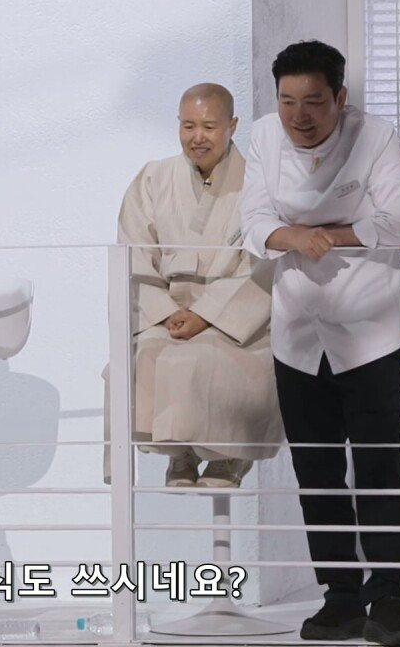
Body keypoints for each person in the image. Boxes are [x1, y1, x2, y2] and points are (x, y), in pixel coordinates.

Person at [240, 40, 400, 647]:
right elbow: (253, 225)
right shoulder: (264, 139)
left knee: (378, 469)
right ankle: (340, 599)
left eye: (314, 101)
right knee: (316, 473)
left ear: (340, 98)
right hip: (297, 335)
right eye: (288, 100)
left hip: (369, 333)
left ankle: (390, 600)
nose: (299, 116)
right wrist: (292, 235)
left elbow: (399, 222)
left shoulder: (375, 137)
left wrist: (325, 234)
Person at [108, 83, 280, 489]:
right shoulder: (154, 178)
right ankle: (179, 452)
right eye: (188, 126)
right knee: (142, 357)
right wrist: (167, 312)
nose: (197, 137)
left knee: (203, 358)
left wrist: (205, 314)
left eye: (209, 126)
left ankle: (228, 455)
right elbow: (133, 254)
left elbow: (265, 264)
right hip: (166, 315)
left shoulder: (260, 183)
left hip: (235, 320)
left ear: (232, 126)